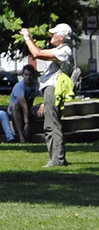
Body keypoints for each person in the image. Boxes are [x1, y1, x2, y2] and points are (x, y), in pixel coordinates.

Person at [21, 23, 76, 167]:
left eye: (54, 34)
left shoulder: (65, 50)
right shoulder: (60, 49)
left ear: (61, 37)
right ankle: (55, 158)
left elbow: (37, 54)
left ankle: (57, 159)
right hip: (51, 89)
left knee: (52, 124)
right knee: (49, 124)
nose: (51, 36)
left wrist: (27, 38)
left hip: (54, 88)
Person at [9, 65, 39, 144]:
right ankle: (21, 136)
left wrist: (43, 106)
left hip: (29, 108)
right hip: (16, 110)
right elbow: (23, 105)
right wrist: (26, 123)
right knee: (15, 105)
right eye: (26, 75)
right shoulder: (19, 86)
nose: (28, 77)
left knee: (46, 106)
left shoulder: (36, 85)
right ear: (22, 75)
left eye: (30, 75)